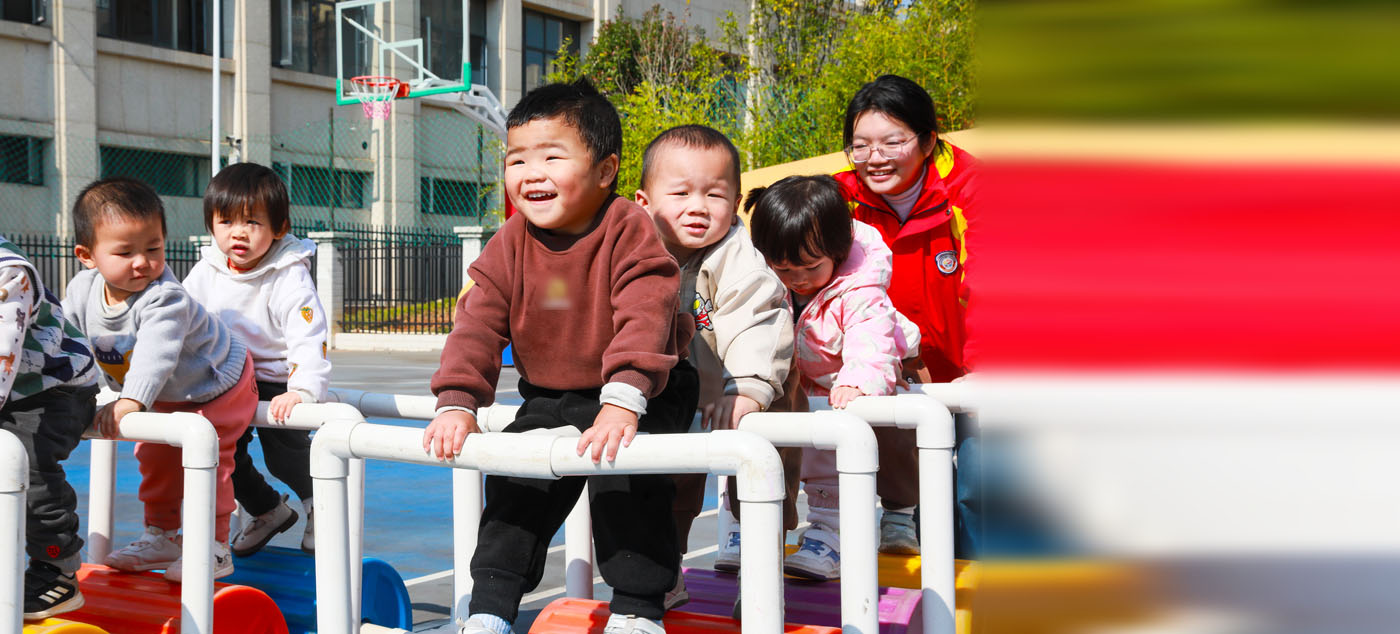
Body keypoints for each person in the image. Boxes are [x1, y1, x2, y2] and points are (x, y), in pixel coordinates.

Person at [421, 79, 698, 634]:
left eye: (551, 157)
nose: (531, 173)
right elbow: (477, 322)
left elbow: (645, 312)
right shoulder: (511, 240)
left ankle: (638, 609)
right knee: (516, 485)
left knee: (625, 482)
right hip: (553, 392)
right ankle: (489, 611)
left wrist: (624, 399)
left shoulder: (628, 228)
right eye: (517, 159)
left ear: (605, 169)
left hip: (646, 386)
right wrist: (457, 401)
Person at [633, 124, 798, 607]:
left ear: (737, 201)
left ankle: (763, 577)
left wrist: (747, 385)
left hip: (746, 389)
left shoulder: (738, 257)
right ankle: (666, 570)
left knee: (761, 482)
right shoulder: (631, 250)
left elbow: (756, 315)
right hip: (671, 393)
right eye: (681, 193)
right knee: (662, 486)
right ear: (644, 202)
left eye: (715, 194)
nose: (698, 207)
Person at [62, 178, 257, 581]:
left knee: (210, 456)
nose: (142, 262)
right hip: (167, 394)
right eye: (125, 252)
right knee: (154, 459)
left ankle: (215, 545)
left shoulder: (165, 297)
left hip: (218, 383)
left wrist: (131, 400)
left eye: (153, 249)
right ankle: (162, 534)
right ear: (87, 256)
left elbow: (156, 353)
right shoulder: (82, 291)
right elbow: (65, 341)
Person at [833, 74, 980, 558]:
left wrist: (986, 368)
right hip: (889, 377)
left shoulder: (973, 188)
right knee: (899, 503)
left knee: (980, 488)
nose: (875, 157)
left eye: (892, 142)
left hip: (969, 373)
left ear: (928, 140)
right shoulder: (837, 199)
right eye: (860, 145)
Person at [747, 174, 918, 581]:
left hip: (858, 376)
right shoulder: (766, 282)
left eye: (810, 267)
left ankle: (852, 529)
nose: (798, 279)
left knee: (860, 454)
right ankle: (772, 530)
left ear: (839, 253)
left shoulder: (860, 288)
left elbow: (870, 336)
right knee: (797, 453)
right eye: (783, 268)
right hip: (807, 384)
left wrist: (859, 380)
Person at [184, 162, 330, 556]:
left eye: (251, 222)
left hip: (274, 379)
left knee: (284, 455)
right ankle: (268, 509)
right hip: (226, 377)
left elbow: (308, 334)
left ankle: (319, 505)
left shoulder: (287, 274)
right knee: (218, 454)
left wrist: (302, 389)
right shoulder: (207, 270)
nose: (238, 232)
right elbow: (180, 317)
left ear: (279, 228)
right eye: (226, 221)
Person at [0, 235, 99, 619]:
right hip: (15, 390)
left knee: (27, 461)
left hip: (55, 387)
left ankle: (57, 567)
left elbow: (3, 356)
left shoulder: (9, 272)